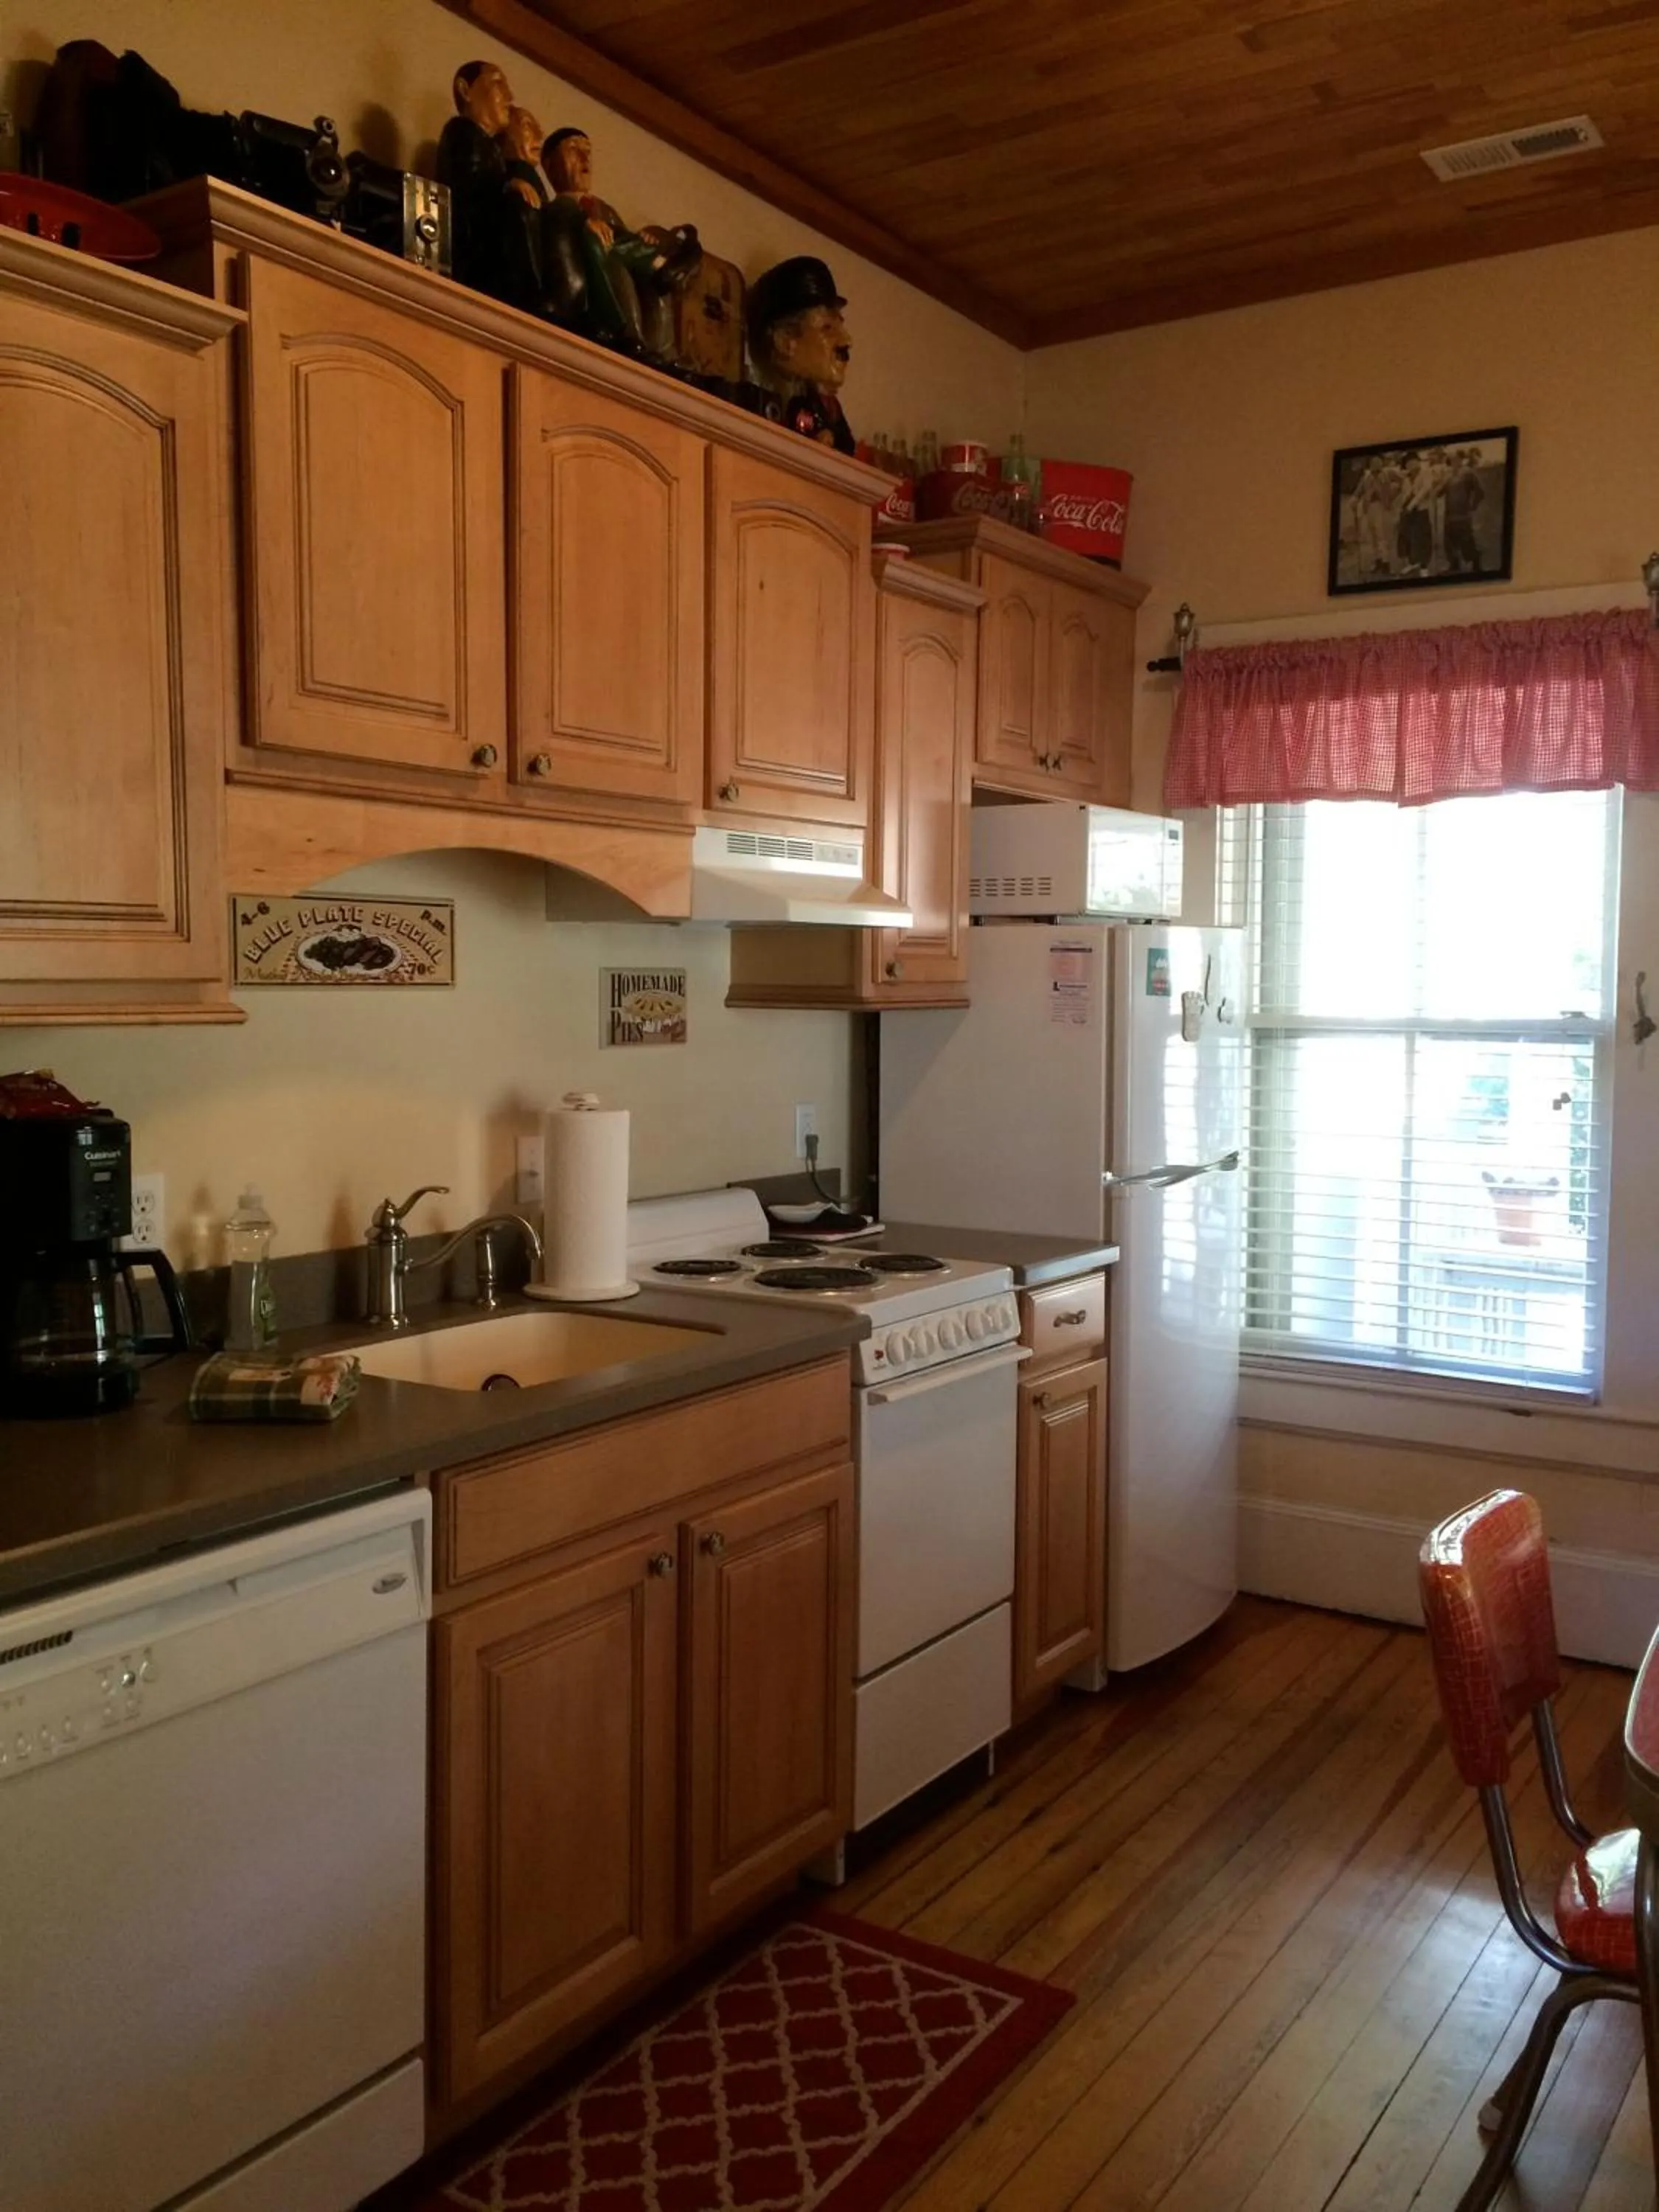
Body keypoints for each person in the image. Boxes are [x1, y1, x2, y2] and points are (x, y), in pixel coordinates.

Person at [540, 125, 699, 359]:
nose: (585, 158)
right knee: (614, 257)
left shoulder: (604, 209)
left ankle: (659, 349)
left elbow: (620, 234)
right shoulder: (558, 208)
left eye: (588, 151)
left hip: (618, 260)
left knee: (647, 279)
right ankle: (632, 326)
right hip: (591, 280)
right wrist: (586, 222)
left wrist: (641, 240)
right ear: (550, 165)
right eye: (574, 150)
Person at [436, 60, 540, 312]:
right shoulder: (463, 131)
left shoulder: (489, 144)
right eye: (497, 83)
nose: (509, 96)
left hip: (485, 234)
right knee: (517, 210)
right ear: (465, 90)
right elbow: (469, 184)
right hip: (471, 238)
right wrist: (506, 183)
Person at [745, 256, 855, 453]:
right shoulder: (757, 400)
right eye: (827, 328)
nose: (847, 341)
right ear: (785, 342)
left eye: (841, 324)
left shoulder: (825, 407)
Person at [1443, 447, 1487, 574]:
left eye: (1455, 459)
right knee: (1451, 542)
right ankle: (1454, 565)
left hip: (1462, 515)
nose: (1453, 462)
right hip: (1450, 515)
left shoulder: (1468, 473)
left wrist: (1472, 506)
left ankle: (1477, 566)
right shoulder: (1448, 476)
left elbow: (1480, 492)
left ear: (1461, 459)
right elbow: (1440, 492)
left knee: (1467, 541)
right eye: (1451, 460)